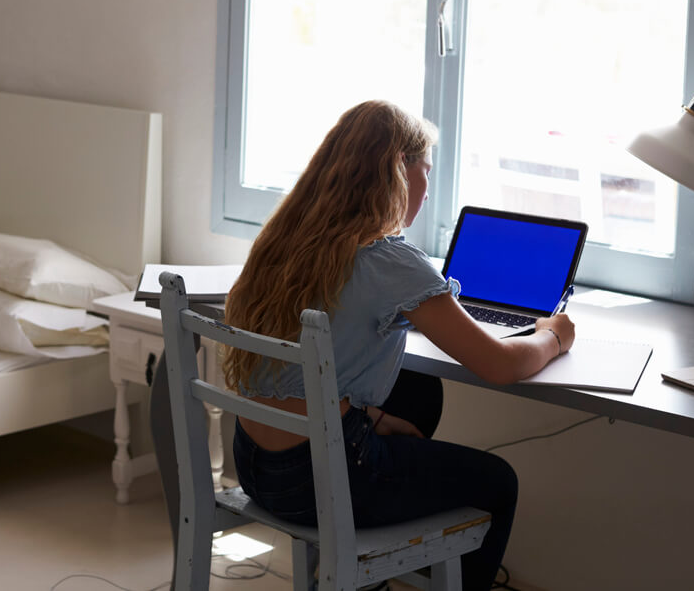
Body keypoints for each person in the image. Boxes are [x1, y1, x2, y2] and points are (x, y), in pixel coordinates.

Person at [224, 100, 575, 591]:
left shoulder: (285, 243)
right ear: (398, 172)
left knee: (420, 393)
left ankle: (366, 576)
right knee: (498, 482)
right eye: (425, 170)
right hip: (315, 482)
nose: (428, 189)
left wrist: (369, 416)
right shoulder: (388, 260)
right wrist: (553, 336)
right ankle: (379, 568)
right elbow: (499, 364)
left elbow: (296, 374)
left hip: (254, 465)